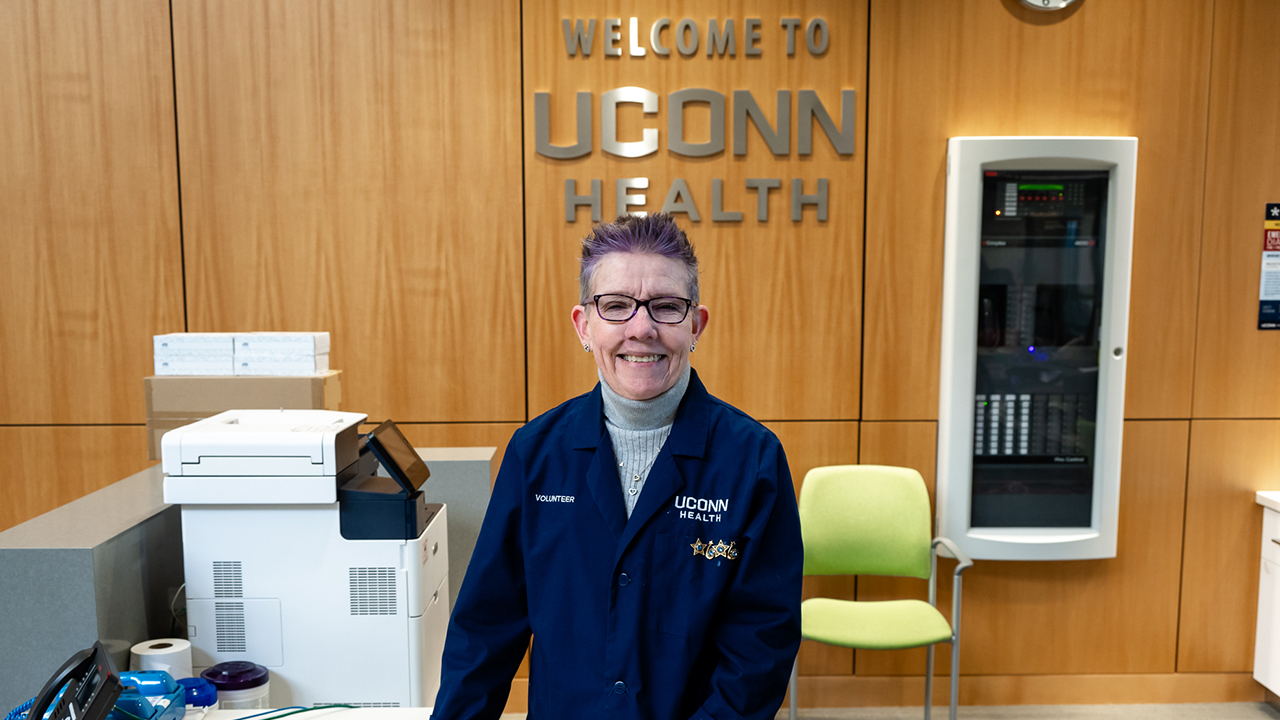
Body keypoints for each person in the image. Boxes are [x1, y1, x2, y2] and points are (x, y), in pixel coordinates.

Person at [431, 214, 803, 720]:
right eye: (616, 306)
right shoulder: (535, 454)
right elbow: (485, 629)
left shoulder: (752, 460)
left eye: (667, 307)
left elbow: (760, 645)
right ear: (585, 325)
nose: (642, 328)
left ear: (696, 325)